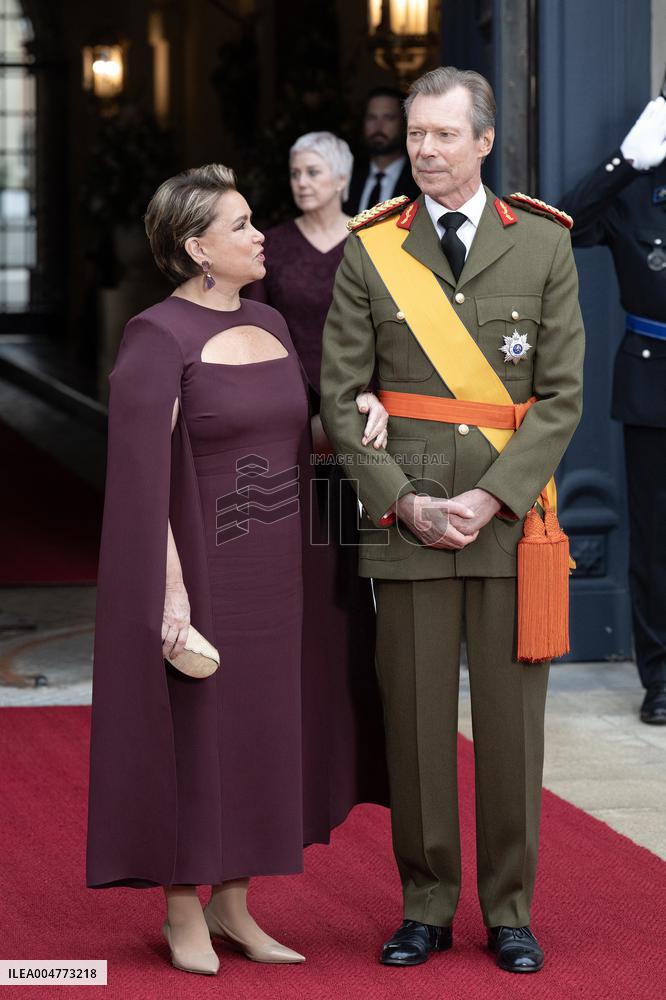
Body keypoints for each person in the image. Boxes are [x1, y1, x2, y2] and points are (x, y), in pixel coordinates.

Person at [86, 164, 387, 977]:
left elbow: (297, 438)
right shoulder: (157, 336)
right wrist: (170, 593)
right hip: (203, 570)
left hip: (285, 571)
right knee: (197, 732)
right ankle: (182, 908)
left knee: (261, 731)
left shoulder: (273, 323)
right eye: (243, 225)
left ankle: (233, 903)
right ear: (197, 248)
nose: (262, 236)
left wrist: (361, 411)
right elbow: (142, 479)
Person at [321, 66, 584, 975]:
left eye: (443, 134)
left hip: (510, 523)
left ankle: (510, 910)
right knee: (417, 723)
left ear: (484, 141)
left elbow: (561, 395)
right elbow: (340, 392)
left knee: (512, 730)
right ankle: (426, 906)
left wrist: (490, 497)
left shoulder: (542, 244)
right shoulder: (372, 247)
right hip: (410, 519)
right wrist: (406, 500)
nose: (425, 150)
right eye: (416, 135)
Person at [245, 133, 387, 737]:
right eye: (295, 173)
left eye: (312, 172)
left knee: (352, 559)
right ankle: (289, 682)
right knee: (291, 552)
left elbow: (392, 329)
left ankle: (351, 689)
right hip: (288, 420)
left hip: (363, 419)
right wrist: (291, 410)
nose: (301, 182)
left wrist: (374, 398)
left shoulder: (373, 241)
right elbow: (253, 329)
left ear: (341, 179)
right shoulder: (271, 246)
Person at [559, 96, 666, 726]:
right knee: (654, 542)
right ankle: (661, 678)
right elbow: (561, 223)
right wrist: (624, 161)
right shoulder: (634, 191)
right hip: (654, 383)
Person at [344, 87, 420, 216]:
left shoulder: (419, 181)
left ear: (404, 123)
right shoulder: (348, 177)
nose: (378, 126)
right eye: (371, 118)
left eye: (388, 118)